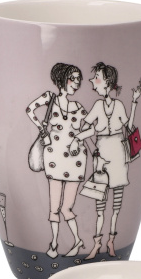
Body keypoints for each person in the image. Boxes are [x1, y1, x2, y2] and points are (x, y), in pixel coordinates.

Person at [70, 62, 141, 258]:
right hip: (102, 160)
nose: (92, 81)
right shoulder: (97, 106)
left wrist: (134, 102)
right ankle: (97, 244)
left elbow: (128, 126)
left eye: (97, 78)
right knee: (100, 206)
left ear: (107, 82)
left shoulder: (118, 105)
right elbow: (89, 128)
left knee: (116, 206)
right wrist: (80, 139)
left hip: (118, 156)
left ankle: (111, 241)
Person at [26, 63, 88, 258]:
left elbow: (90, 128)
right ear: (62, 80)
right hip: (53, 158)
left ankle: (77, 241)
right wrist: (41, 129)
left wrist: (80, 140)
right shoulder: (50, 98)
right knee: (54, 207)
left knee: (66, 208)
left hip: (76, 159)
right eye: (73, 79)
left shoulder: (78, 108)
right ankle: (53, 244)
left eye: (78, 79)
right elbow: (30, 109)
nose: (76, 83)